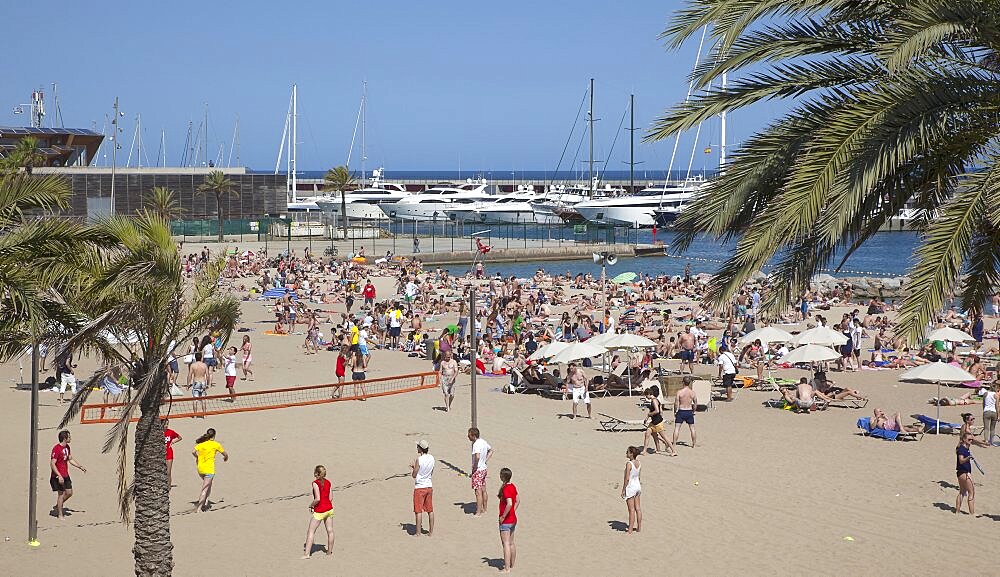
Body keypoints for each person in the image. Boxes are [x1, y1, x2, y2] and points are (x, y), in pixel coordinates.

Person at [50, 430, 86, 519]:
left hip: (65, 474)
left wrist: (80, 466)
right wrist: (59, 475)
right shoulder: (56, 448)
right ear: (65, 438)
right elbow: (52, 463)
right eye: (69, 437)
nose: (71, 438)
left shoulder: (67, 447)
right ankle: (60, 514)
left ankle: (58, 505)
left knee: (69, 493)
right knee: (61, 494)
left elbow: (70, 459)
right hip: (58, 476)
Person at [302, 465, 335, 558]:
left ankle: (306, 554)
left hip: (320, 511)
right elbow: (331, 498)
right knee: (330, 530)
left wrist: (311, 505)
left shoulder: (315, 483)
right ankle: (329, 552)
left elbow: (317, 499)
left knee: (311, 531)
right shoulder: (328, 482)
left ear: (316, 473)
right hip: (329, 509)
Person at [192, 428, 228, 513]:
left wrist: (197, 457)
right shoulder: (216, 444)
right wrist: (225, 458)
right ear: (214, 435)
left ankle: (205, 502)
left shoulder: (201, 444)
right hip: (209, 470)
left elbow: (193, 452)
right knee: (205, 488)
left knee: (209, 485)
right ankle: (199, 508)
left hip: (200, 469)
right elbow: (225, 454)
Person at [641, 386, 677, 456]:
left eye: (646, 396)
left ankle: (674, 450)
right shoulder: (655, 400)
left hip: (658, 422)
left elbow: (657, 411)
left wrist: (650, 414)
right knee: (648, 434)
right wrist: (647, 418)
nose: (646, 397)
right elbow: (660, 411)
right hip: (654, 422)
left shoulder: (654, 400)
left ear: (649, 394)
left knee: (664, 437)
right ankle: (646, 450)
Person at [411, 440, 435, 537]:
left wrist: (413, 469)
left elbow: (414, 474)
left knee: (418, 510)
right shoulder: (432, 458)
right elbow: (431, 471)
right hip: (429, 485)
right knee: (430, 510)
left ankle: (418, 533)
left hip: (420, 487)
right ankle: (430, 532)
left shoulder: (419, 459)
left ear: (420, 448)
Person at [497, 467, 519, 573]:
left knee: (505, 543)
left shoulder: (506, 489)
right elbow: (518, 501)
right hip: (513, 519)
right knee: (511, 543)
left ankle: (507, 568)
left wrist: (503, 516)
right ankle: (512, 564)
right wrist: (512, 512)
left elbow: (510, 503)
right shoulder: (512, 486)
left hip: (506, 521)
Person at [468, 427, 494, 516]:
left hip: (478, 470)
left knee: (478, 492)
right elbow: (491, 450)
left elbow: (477, 456)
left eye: (469, 435)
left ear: (473, 435)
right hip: (483, 468)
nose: (468, 436)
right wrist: (485, 460)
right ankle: (485, 508)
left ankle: (478, 512)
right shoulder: (483, 441)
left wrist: (474, 466)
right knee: (483, 489)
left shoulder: (476, 444)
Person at [621, 446, 642, 534]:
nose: (626, 453)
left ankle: (630, 530)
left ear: (631, 454)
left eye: (628, 452)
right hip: (637, 486)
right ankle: (639, 528)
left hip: (631, 487)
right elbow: (639, 476)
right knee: (638, 508)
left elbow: (627, 478)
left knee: (631, 510)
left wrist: (623, 489)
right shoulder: (639, 462)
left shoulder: (629, 463)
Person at [673, 377, 698, 448]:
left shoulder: (680, 392)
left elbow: (676, 403)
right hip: (689, 410)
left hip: (681, 410)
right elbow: (695, 403)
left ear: (683, 382)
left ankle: (674, 443)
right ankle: (694, 444)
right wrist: (693, 411)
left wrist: (675, 411)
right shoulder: (692, 392)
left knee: (677, 428)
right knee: (692, 428)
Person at [955, 433, 976, 516]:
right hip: (964, 473)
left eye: (971, 439)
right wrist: (968, 458)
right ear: (964, 439)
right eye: (969, 439)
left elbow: (976, 442)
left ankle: (957, 511)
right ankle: (972, 513)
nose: (971, 441)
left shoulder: (966, 448)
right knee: (971, 493)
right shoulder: (961, 449)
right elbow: (961, 460)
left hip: (961, 473)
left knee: (962, 492)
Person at [164, 421, 182, 490]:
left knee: (168, 472)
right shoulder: (157, 432)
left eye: (167, 424)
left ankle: (168, 487)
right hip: (160, 453)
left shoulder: (170, 432)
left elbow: (180, 437)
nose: (166, 425)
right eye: (165, 424)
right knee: (162, 471)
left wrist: (173, 442)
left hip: (169, 453)